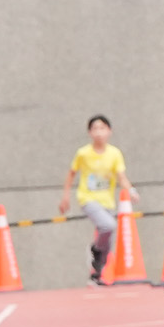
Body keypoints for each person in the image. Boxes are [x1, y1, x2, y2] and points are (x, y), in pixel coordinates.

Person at [59, 115, 133, 286]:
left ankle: (96, 275)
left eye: (102, 128)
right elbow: (71, 174)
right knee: (108, 226)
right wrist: (66, 196)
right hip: (88, 199)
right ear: (90, 133)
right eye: (95, 129)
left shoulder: (114, 154)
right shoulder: (83, 153)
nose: (99, 132)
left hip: (107, 201)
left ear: (109, 131)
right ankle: (94, 249)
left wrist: (131, 190)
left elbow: (121, 177)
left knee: (107, 244)